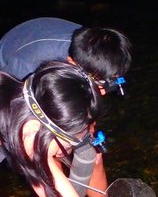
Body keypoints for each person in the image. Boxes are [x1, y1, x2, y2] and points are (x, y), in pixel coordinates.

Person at [0, 61, 106, 197]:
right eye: (70, 142)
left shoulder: (23, 110)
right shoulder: (29, 135)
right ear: (33, 129)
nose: (71, 148)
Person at [0, 17, 132, 94]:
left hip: (44, 32)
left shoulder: (95, 42)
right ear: (72, 62)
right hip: (10, 56)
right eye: (96, 78)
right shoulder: (27, 65)